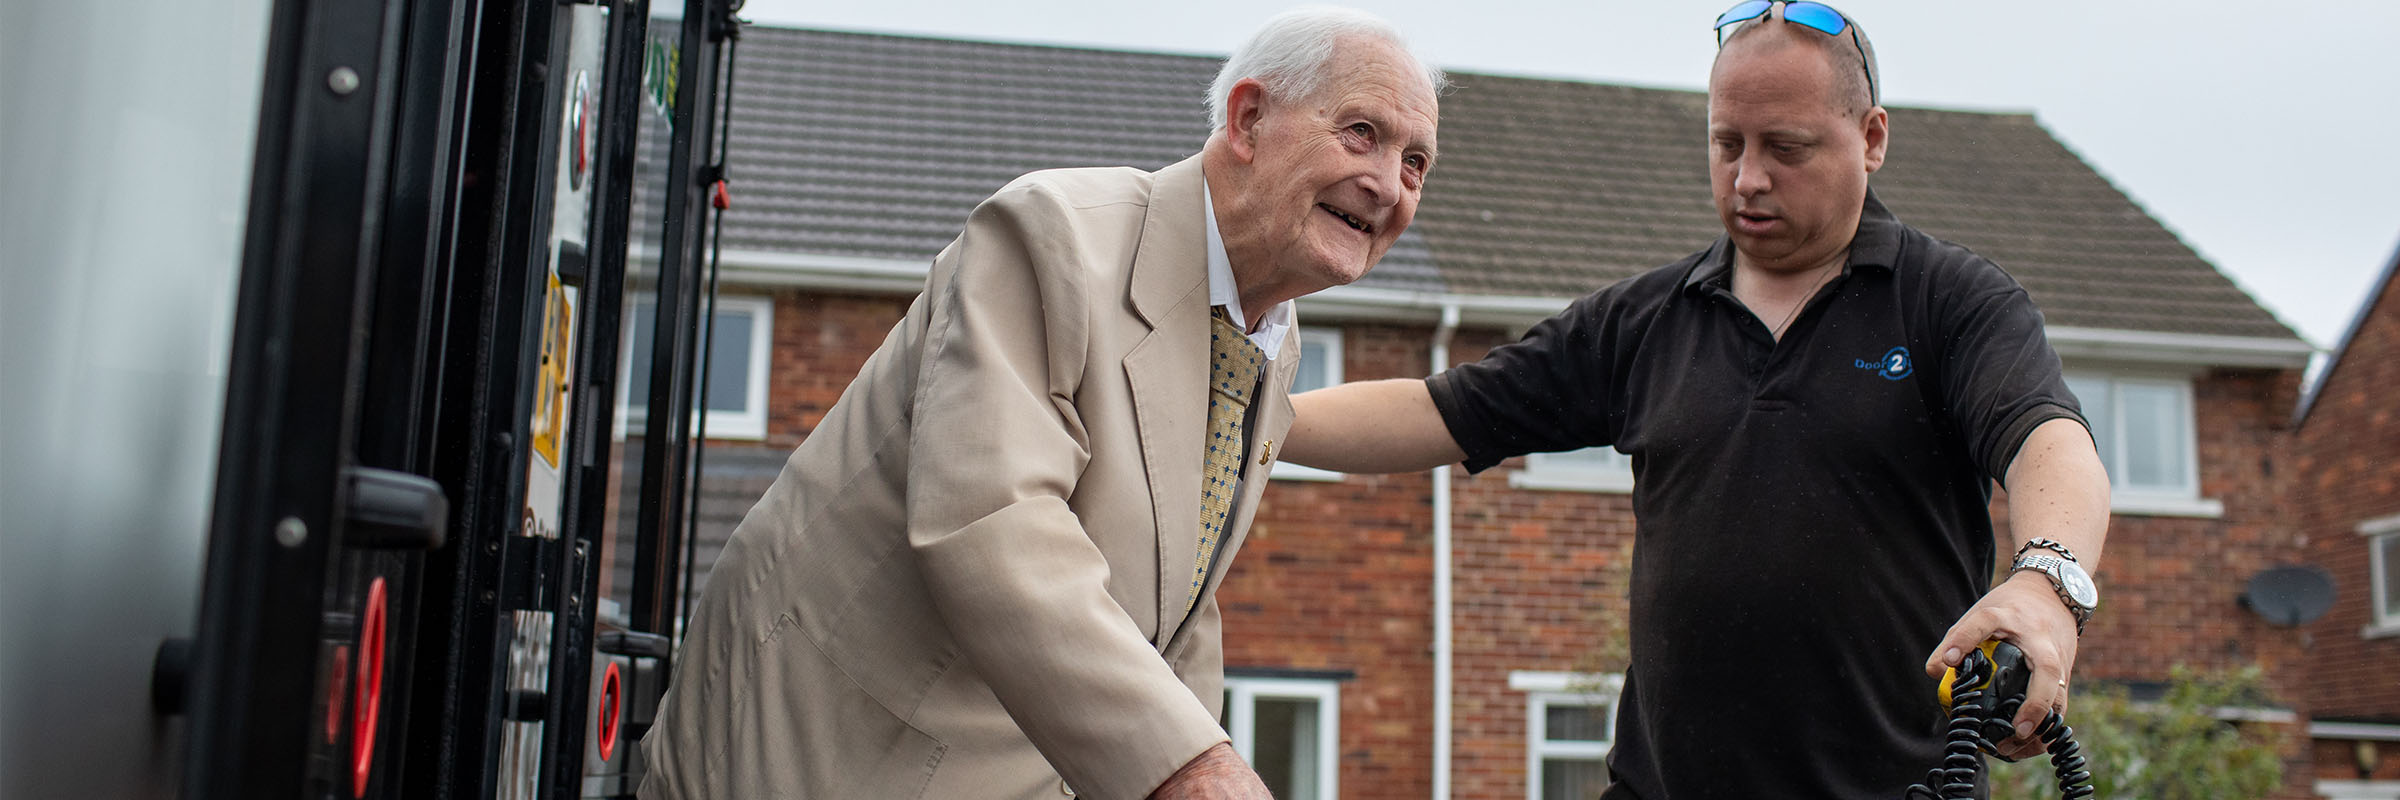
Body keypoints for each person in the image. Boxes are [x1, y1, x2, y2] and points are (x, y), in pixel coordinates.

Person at [1282, 2, 2110, 796]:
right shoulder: (1645, 320)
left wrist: (2046, 584)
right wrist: (1248, 411)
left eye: (1786, 147)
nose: (1748, 178)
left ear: (1872, 138)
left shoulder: (1950, 302)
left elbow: (2050, 441)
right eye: (1726, 143)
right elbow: (1438, 411)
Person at [636, 7, 1441, 799]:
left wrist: (1204, 749)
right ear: (1249, 118)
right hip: (816, 755)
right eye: (1362, 133)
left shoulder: (1267, 333)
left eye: (1415, 163)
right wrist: (1187, 769)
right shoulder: (1052, 235)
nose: (1387, 184)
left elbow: (1180, 609)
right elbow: (991, 521)